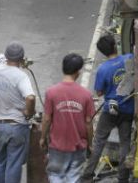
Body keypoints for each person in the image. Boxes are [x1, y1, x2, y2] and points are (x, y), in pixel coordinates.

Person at [81, 35, 135, 183]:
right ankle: (123, 177)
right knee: (125, 142)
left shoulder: (103, 69)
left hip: (110, 109)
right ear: (115, 46)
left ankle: (87, 176)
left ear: (103, 52)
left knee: (98, 142)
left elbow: (99, 92)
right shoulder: (129, 58)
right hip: (128, 108)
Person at [41, 53, 95, 183]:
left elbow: (47, 119)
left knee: (55, 175)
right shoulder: (86, 95)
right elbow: (88, 123)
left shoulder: (51, 92)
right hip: (78, 145)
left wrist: (43, 137)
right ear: (77, 72)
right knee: (74, 177)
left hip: (57, 146)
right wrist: (90, 144)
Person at [0, 42, 36, 183]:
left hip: (0, 124)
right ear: (22, 58)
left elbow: (0, 58)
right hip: (17, 125)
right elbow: (30, 97)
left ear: (6, 57)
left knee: (1, 161)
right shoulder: (21, 76)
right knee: (14, 163)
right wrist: (28, 112)